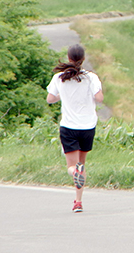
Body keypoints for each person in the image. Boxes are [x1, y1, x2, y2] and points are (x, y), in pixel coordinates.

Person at [46, 44, 104, 213]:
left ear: (68, 58)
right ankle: (78, 201)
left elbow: (50, 99)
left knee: (73, 167)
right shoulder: (91, 77)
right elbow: (99, 98)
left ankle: (74, 175)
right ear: (83, 59)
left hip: (69, 127)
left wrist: (61, 95)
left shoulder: (59, 77)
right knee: (81, 165)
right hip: (87, 126)